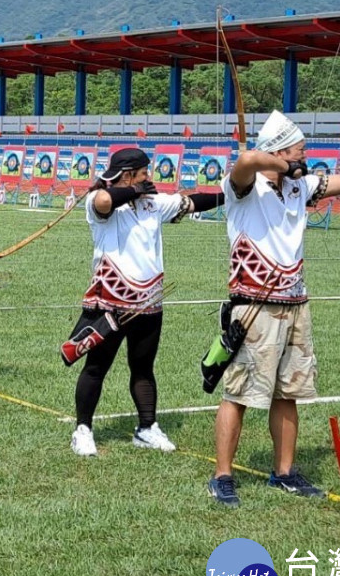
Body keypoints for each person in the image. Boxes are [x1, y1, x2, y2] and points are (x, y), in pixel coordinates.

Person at [207, 111, 340, 507]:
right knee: (238, 393)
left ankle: (284, 472)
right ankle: (222, 476)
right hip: (254, 309)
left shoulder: (300, 187)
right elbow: (248, 160)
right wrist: (284, 162)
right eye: (299, 151)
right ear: (281, 151)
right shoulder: (244, 188)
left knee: (288, 392)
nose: (306, 158)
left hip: (294, 305)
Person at [67, 147, 224, 457]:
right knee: (96, 367)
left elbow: (192, 202)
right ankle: (82, 429)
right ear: (127, 176)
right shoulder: (100, 203)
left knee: (143, 368)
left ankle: (146, 428)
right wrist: (132, 190)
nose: (148, 178)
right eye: (143, 174)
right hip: (110, 304)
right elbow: (103, 200)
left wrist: (229, 194)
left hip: (148, 303)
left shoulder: (152, 204)